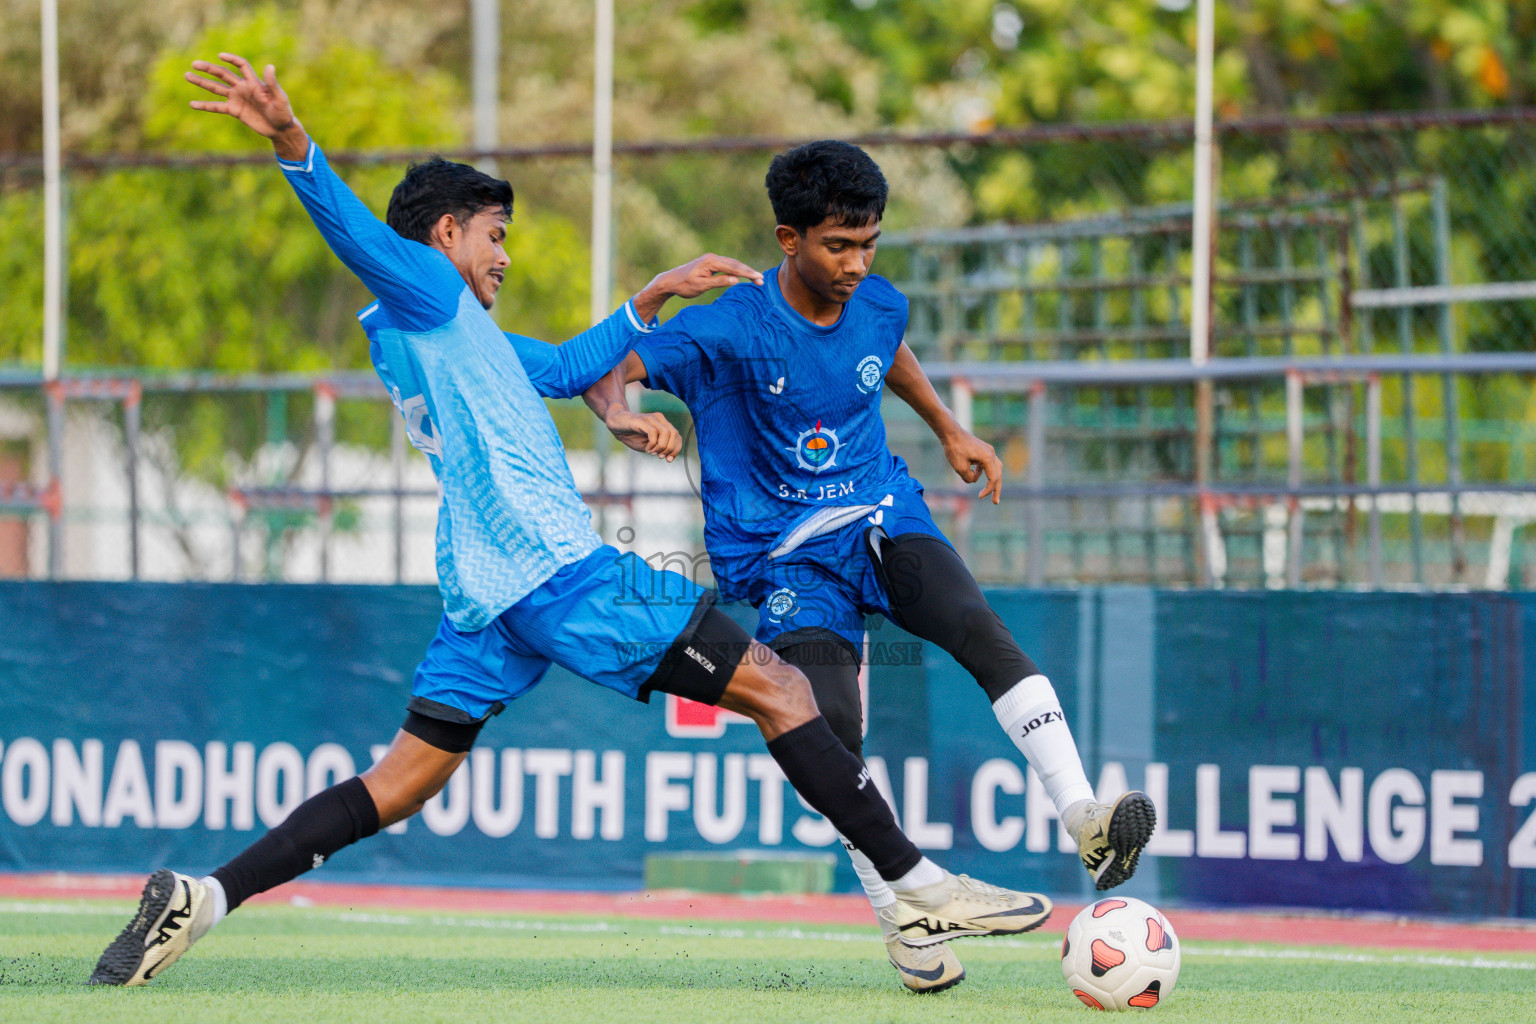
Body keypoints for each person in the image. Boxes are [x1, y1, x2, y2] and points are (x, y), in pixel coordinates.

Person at [90, 55, 1048, 994]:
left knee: (400, 783)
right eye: (495, 236)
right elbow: (355, 234)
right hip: (560, 575)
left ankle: (205, 897)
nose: (505, 256)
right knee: (785, 688)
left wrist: (656, 294)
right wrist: (295, 143)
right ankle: (925, 890)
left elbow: (561, 368)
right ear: (446, 234)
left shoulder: (436, 331)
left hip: (485, 595)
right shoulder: (427, 288)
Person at [584, 140, 1157, 984]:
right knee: (830, 728)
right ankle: (905, 917)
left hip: (880, 510)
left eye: (869, 244)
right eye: (838, 246)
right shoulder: (729, 323)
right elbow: (612, 368)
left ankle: (1085, 819)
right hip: (785, 556)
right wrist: (621, 415)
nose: (856, 265)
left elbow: (884, 353)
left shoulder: (878, 301)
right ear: (788, 239)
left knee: (974, 626)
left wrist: (950, 429)